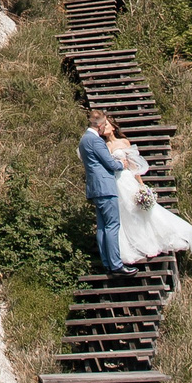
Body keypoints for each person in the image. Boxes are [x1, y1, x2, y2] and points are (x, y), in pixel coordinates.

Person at [109, 129, 192, 264]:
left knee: (142, 211)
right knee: (125, 214)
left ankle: (161, 236)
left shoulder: (123, 142)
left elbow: (134, 166)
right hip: (116, 183)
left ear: (111, 126)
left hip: (127, 179)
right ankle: (135, 243)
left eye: (106, 124)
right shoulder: (103, 145)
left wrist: (141, 186)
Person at [77, 109, 128, 275]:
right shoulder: (96, 141)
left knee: (102, 227)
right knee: (113, 225)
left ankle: (107, 262)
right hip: (105, 187)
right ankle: (116, 264)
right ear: (99, 125)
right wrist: (122, 164)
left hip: (94, 188)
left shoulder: (84, 140)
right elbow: (110, 164)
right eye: (105, 123)